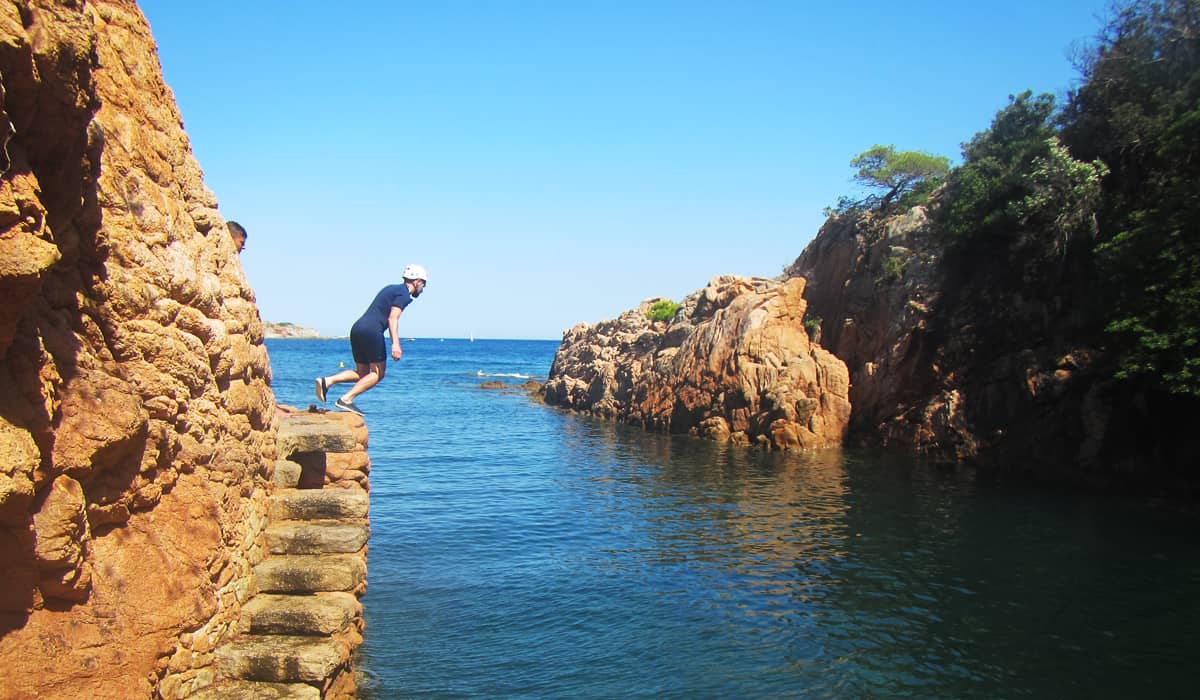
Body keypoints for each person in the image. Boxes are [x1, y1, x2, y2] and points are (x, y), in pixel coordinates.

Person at [314, 264, 428, 415]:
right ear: (417, 281)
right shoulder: (404, 294)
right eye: (424, 284)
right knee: (378, 373)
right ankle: (346, 399)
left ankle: (327, 381)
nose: (424, 288)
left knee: (363, 373)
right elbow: (393, 318)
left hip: (357, 329)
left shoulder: (391, 288)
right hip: (372, 331)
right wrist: (396, 344)